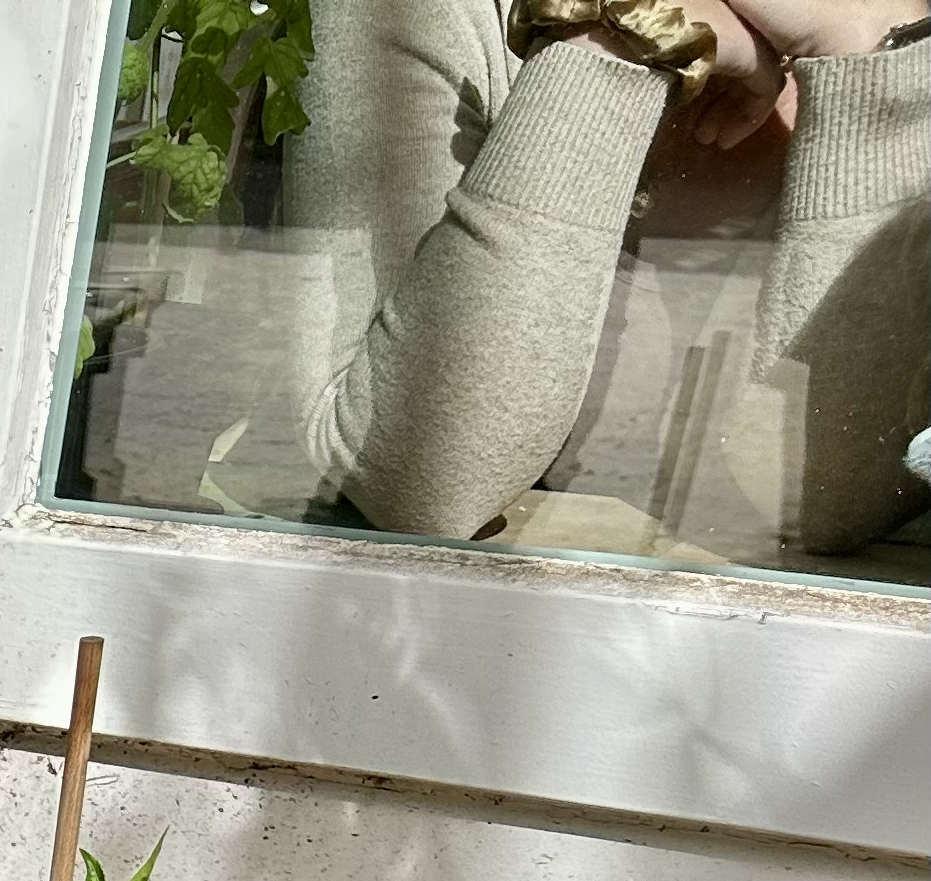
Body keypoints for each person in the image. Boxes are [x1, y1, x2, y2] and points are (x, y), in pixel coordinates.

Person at [288, 0, 928, 553]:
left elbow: (825, 497)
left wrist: (859, 38)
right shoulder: (429, 15)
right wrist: (617, 38)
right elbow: (419, 488)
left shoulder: (910, 36)